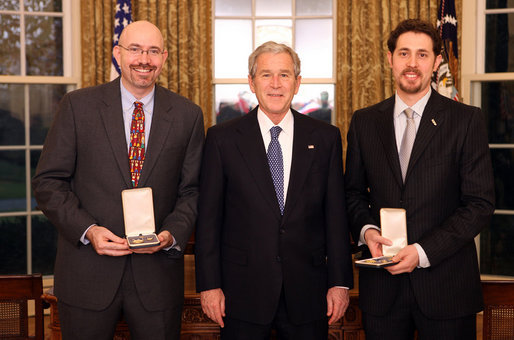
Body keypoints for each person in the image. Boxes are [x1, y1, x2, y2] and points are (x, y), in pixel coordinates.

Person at [32, 20, 204, 340]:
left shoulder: (187, 115)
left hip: (157, 279)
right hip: (87, 274)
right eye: (135, 49)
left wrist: (170, 234)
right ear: (118, 53)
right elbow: (48, 182)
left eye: (153, 51)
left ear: (164, 57)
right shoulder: (77, 107)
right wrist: (89, 230)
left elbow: (191, 189)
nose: (144, 59)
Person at [344, 19, 495, 339]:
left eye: (423, 55)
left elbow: (479, 204)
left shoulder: (466, 120)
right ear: (390, 58)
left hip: (447, 289)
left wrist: (423, 251)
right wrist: (367, 231)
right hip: (382, 292)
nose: (412, 64)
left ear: (437, 61)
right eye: (404, 53)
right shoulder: (364, 122)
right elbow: (352, 193)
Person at [195, 41, 354, 340]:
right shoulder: (222, 139)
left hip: (309, 293)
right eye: (266, 75)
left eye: (285, 74)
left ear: (298, 82)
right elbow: (209, 220)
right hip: (240, 294)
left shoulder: (326, 138)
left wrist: (340, 283)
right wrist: (209, 284)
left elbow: (335, 216)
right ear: (251, 82)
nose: (276, 84)